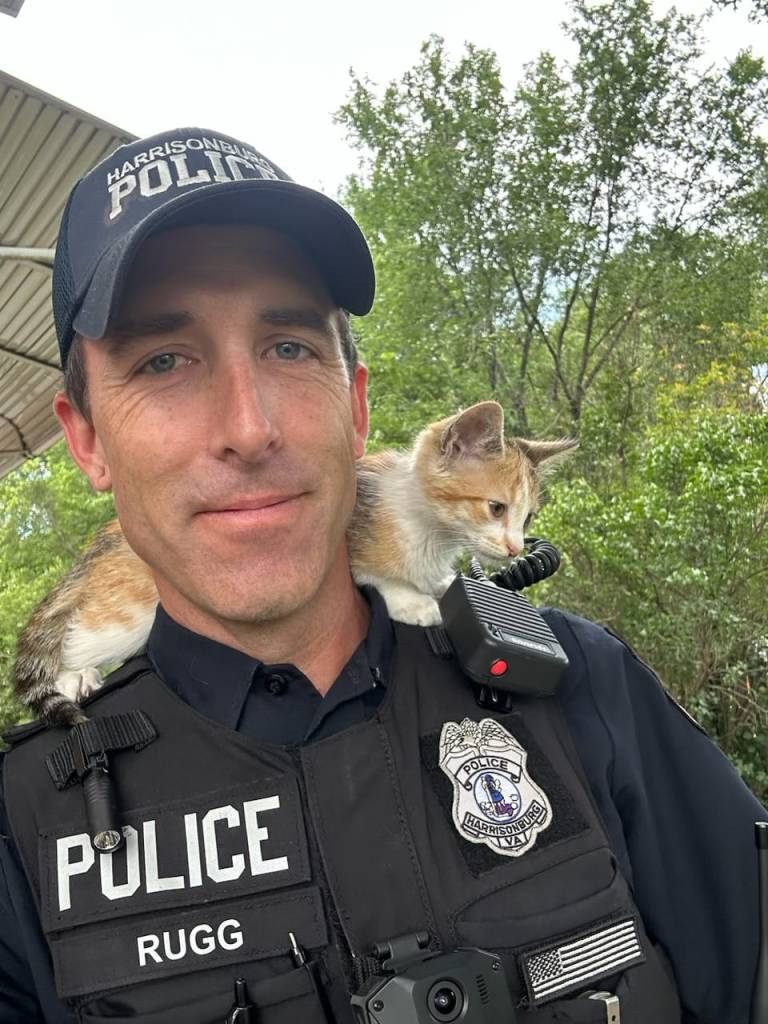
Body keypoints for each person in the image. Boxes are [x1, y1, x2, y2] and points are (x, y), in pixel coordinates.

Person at [0, 127, 765, 1024]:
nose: (248, 428)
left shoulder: (585, 688)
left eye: (289, 347)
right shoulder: (23, 826)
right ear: (86, 440)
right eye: (163, 361)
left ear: (358, 406)